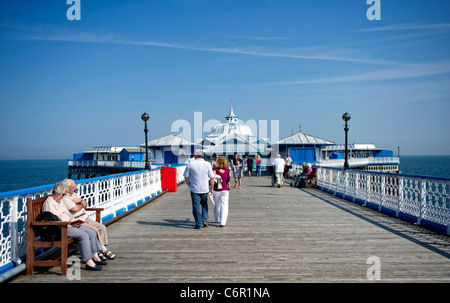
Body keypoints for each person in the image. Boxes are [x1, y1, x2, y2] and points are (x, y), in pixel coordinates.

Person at [42, 182, 107, 271]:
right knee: (83, 235)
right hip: (61, 228)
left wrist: (73, 220)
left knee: (90, 232)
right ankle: (89, 262)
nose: (64, 196)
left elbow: (67, 212)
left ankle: (95, 256)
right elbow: (53, 221)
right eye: (63, 194)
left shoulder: (59, 200)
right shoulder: (49, 203)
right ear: (57, 192)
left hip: (69, 224)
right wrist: (69, 225)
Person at [62, 179, 116, 260]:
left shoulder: (74, 194)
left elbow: (86, 204)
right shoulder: (65, 197)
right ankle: (101, 251)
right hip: (77, 220)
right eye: (72, 187)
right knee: (93, 230)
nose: (75, 189)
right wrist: (81, 204)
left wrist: (80, 201)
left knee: (102, 228)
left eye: (75, 187)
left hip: (85, 217)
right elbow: (75, 209)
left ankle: (99, 250)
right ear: (66, 188)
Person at [183, 150, 215, 229]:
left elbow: (186, 176)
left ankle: (198, 223)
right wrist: (212, 188)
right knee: (204, 204)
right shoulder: (207, 164)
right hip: (204, 188)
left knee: (196, 205)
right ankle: (204, 220)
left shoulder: (191, 164)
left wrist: (189, 184)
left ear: (195, 155)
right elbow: (212, 177)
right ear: (202, 155)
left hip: (194, 188)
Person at [212, 156, 231, 227]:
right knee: (224, 205)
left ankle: (217, 218)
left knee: (217, 204)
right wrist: (229, 186)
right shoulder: (227, 170)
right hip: (225, 190)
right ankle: (222, 222)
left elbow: (212, 178)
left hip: (217, 190)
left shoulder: (215, 169)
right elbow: (228, 180)